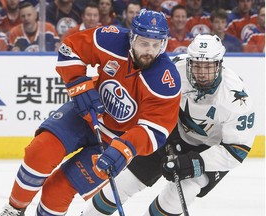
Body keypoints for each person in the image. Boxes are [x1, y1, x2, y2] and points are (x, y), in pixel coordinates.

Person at [0, 9, 181, 216]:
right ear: (132, 38)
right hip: (86, 114)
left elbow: (157, 130)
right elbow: (70, 48)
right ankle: (14, 209)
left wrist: (126, 148)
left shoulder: (166, 80)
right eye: (144, 43)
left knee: (57, 192)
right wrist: (78, 85)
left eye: (156, 45)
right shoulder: (111, 39)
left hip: (115, 142)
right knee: (39, 152)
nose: (150, 50)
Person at [80, 34, 256, 216]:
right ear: (189, 62)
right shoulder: (175, 70)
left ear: (219, 64)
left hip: (208, 149)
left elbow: (237, 149)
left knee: (183, 193)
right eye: (196, 65)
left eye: (208, 66)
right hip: (172, 132)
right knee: (125, 182)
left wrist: (197, 161)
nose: (202, 72)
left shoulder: (237, 99)